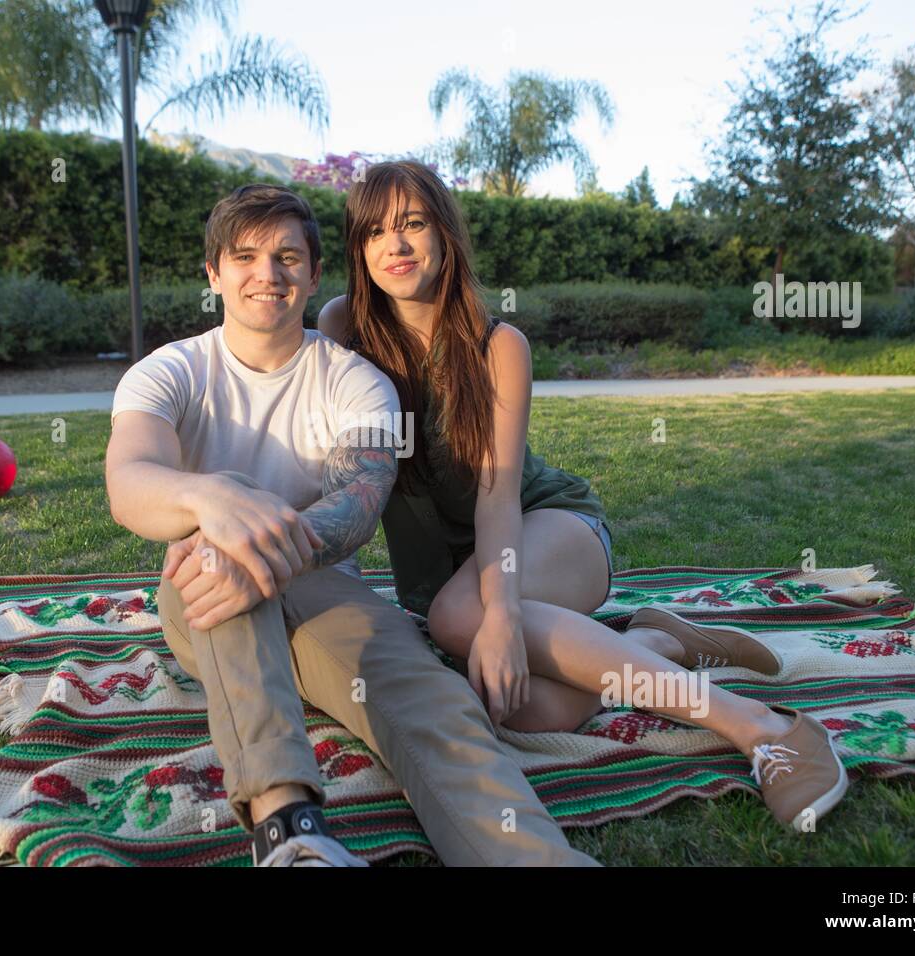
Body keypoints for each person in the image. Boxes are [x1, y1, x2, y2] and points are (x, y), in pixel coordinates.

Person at [315, 160, 848, 829]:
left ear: (445, 235)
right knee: (527, 709)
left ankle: (764, 727)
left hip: (547, 526)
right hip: (444, 575)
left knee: (463, 620)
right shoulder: (343, 328)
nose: (395, 245)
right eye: (375, 232)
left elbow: (498, 493)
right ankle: (658, 644)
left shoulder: (497, 344)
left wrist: (501, 614)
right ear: (358, 250)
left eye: (413, 224)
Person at [105, 182, 599, 866]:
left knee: (436, 700)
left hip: (324, 589)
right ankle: (291, 833)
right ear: (214, 274)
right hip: (205, 596)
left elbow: (361, 499)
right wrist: (215, 501)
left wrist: (262, 543)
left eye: (286, 256)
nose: (267, 274)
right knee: (219, 555)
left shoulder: (354, 378)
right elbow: (129, 480)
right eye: (245, 257)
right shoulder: (171, 372)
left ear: (311, 273)